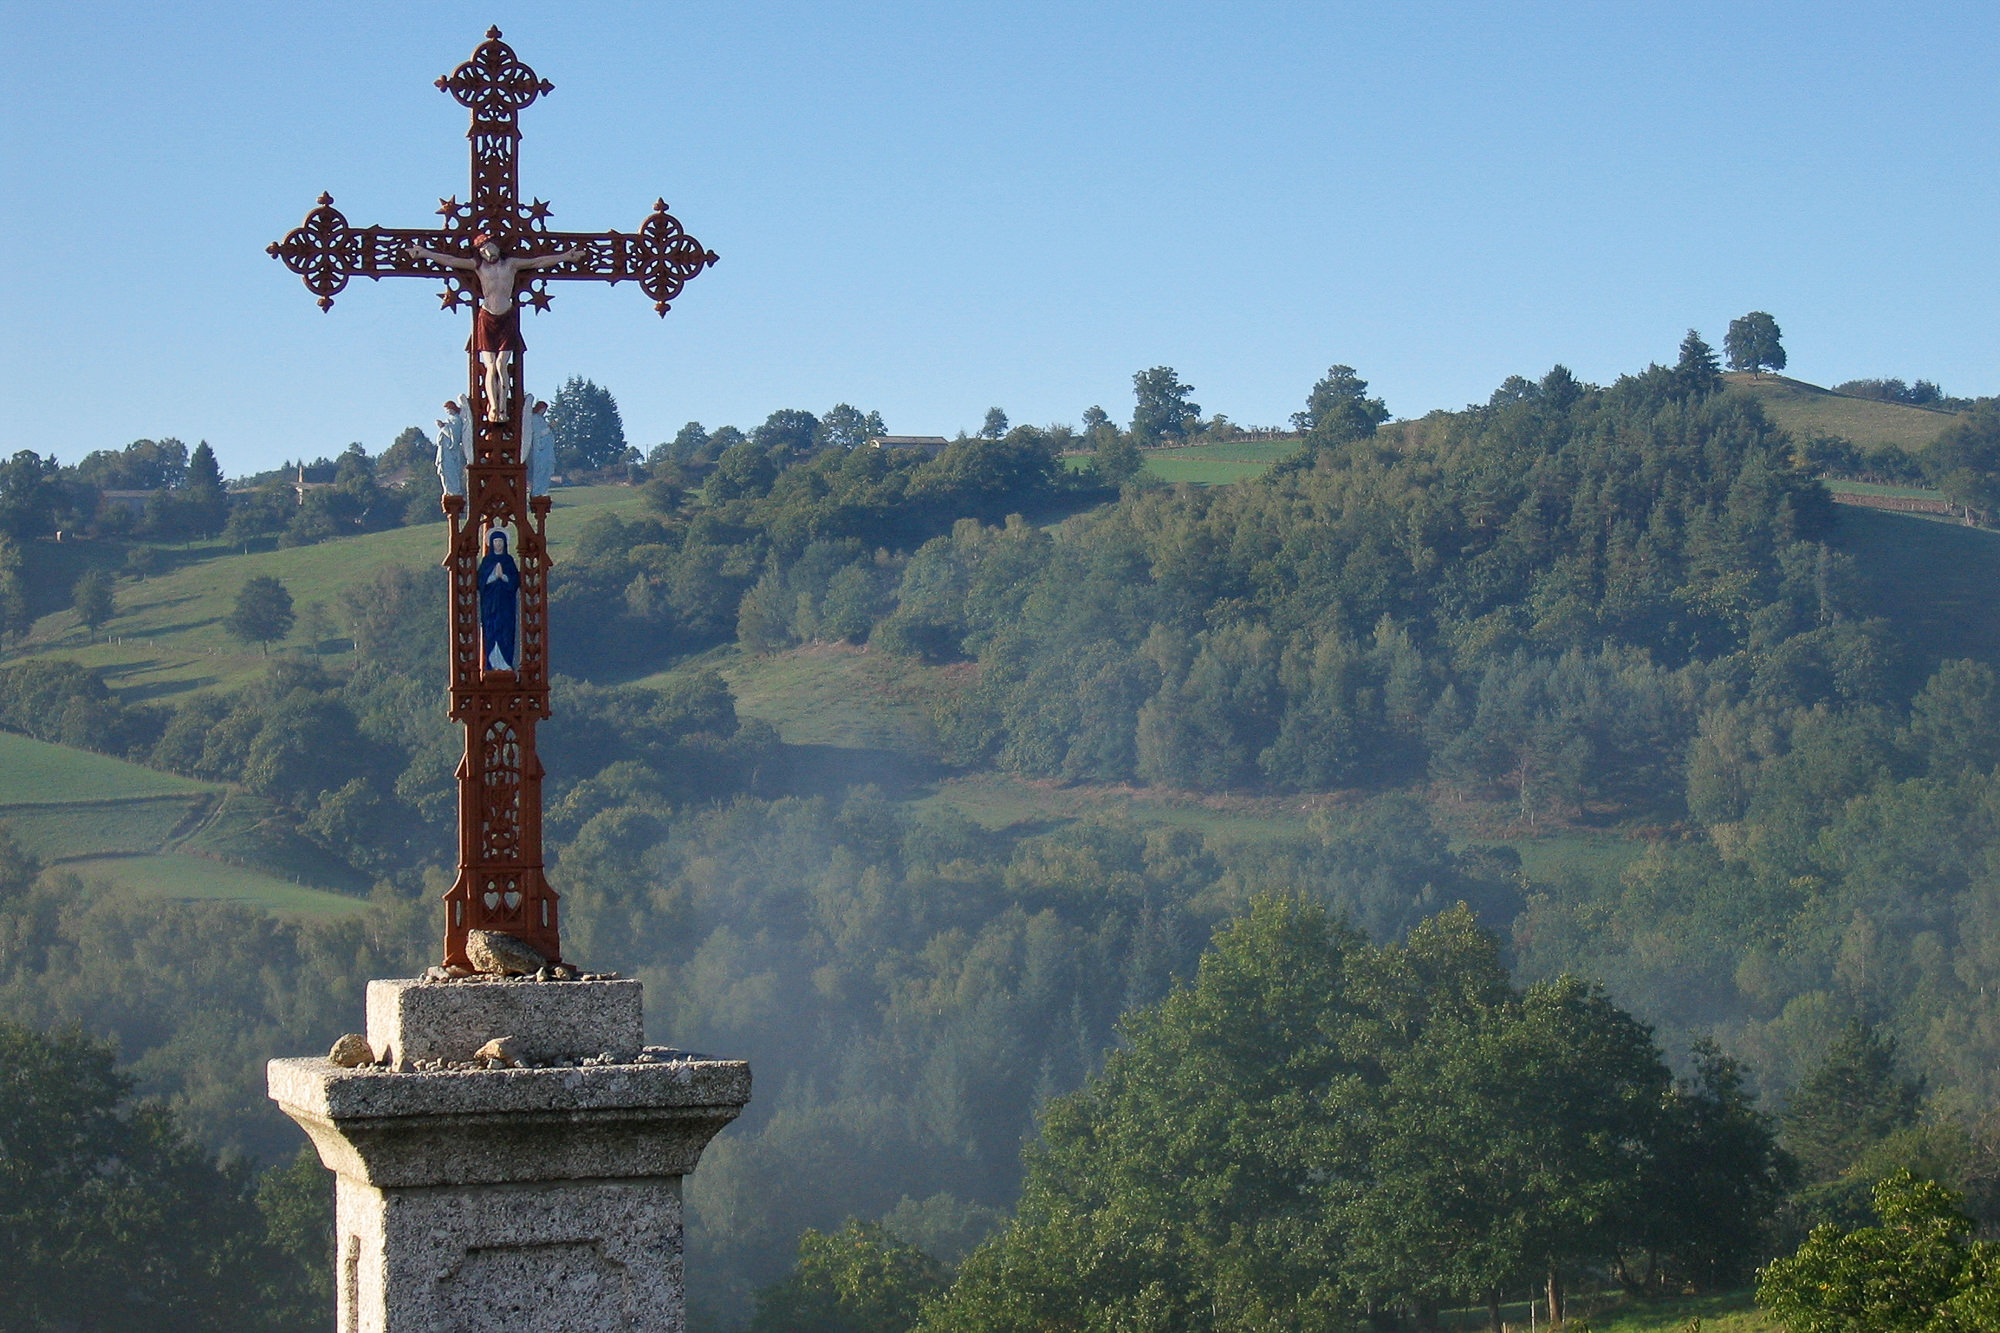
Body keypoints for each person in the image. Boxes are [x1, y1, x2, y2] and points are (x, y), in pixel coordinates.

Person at [406, 234, 586, 420]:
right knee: (491, 366)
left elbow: (537, 262)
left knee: (502, 365)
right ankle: (493, 407)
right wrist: (425, 253)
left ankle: (503, 409)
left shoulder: (511, 265)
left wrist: (565, 256)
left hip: (506, 316)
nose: (486, 252)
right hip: (486, 317)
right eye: (482, 250)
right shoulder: (479, 267)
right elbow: (451, 260)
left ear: (496, 247)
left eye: (488, 248)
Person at [478, 528, 520, 672]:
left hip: (506, 605)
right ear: (491, 543)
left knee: (506, 633)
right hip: (490, 605)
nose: (498, 545)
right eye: (495, 541)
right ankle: (492, 663)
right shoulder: (487, 561)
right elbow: (480, 582)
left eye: (500, 542)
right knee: (491, 632)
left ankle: (505, 663)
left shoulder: (508, 561)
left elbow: (515, 582)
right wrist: (493, 577)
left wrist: (504, 577)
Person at [435, 397, 469, 497]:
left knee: (451, 472)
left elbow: (454, 435)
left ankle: (453, 491)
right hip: (444, 451)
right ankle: (448, 491)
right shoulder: (450, 420)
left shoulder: (456, 420)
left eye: (448, 409)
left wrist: (442, 426)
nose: (447, 411)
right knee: (444, 471)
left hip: (450, 451)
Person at [527, 397, 556, 496]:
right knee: (541, 470)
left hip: (546, 450)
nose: (544, 411)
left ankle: (543, 490)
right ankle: (537, 491)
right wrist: (550, 427)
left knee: (546, 471)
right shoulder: (535, 418)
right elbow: (539, 433)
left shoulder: (541, 419)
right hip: (540, 450)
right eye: (543, 409)